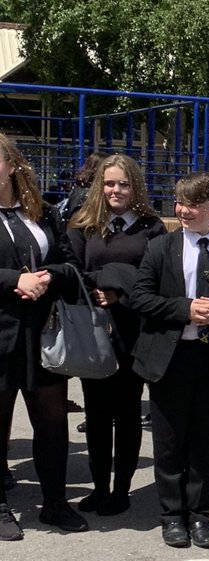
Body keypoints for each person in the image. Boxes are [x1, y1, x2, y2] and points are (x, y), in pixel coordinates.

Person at [126, 171, 209, 549]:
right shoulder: (161, 247)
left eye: (194, 205)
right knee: (170, 441)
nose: (183, 210)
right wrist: (185, 309)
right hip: (171, 357)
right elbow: (141, 297)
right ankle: (172, 516)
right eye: (180, 203)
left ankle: (199, 515)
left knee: (206, 440)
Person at [65, 153, 165, 517]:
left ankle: (121, 489)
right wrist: (102, 287)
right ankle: (99, 487)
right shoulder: (83, 223)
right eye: (109, 183)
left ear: (134, 185)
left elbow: (154, 275)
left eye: (123, 183)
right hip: (93, 328)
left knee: (126, 413)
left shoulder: (151, 227)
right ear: (99, 186)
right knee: (96, 413)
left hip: (133, 330)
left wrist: (121, 291)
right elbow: (73, 270)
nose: (115, 190)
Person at [0, 134, 88, 540]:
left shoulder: (45, 213)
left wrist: (48, 276)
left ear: (11, 166)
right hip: (2, 337)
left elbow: (72, 265)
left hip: (44, 336)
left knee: (52, 422)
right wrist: (14, 279)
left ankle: (55, 503)